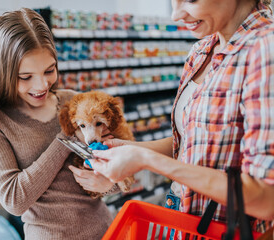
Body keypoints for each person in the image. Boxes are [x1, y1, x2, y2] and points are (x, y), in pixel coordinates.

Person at [88, 0, 274, 233]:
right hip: (184, 217)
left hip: (226, 229)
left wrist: (147, 161)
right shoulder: (202, 50)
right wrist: (132, 151)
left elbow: (266, 199)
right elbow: (192, 142)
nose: (176, 15)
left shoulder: (266, 48)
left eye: (191, 0)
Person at [0, 8, 116, 239]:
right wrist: (66, 137)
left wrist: (108, 183)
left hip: (108, 230)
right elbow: (14, 199)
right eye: (25, 77)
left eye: (49, 70)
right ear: (1, 73)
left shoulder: (74, 101)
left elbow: (120, 171)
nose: (42, 86)